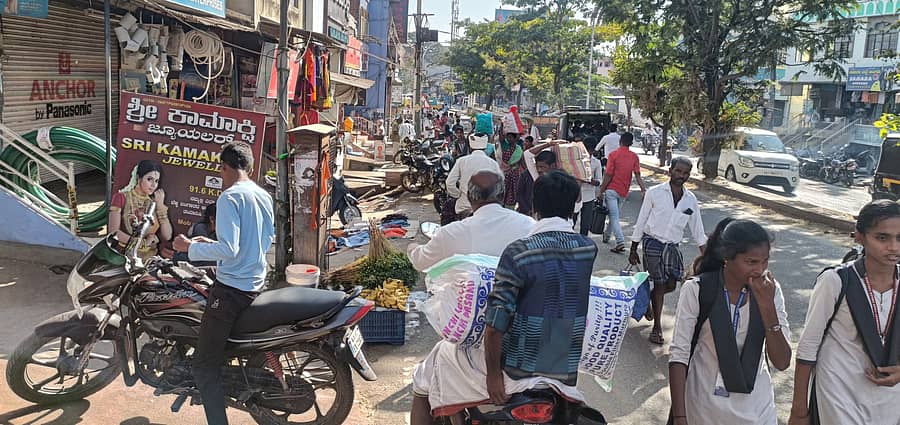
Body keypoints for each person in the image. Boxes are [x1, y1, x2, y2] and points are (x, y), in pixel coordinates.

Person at [410, 170, 597, 424]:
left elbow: (496, 321)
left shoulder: (519, 252)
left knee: (427, 374)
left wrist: (493, 376)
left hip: (515, 369)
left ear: (534, 204)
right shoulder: (587, 249)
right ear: (576, 203)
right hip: (562, 367)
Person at [172, 142, 275, 425]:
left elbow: (230, 250)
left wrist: (189, 247)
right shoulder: (262, 195)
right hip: (255, 281)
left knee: (204, 365)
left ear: (225, 168)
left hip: (232, 291)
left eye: (221, 170)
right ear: (250, 167)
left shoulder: (229, 198)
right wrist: (210, 244)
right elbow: (263, 240)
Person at [668, 219, 792, 425]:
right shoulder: (697, 290)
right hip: (704, 408)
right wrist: (680, 417)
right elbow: (678, 355)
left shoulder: (771, 291)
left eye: (765, 261)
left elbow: (782, 361)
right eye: (751, 262)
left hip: (757, 410)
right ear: (727, 257)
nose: (760, 269)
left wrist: (767, 307)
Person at [789, 200, 900, 425]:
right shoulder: (836, 281)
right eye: (882, 237)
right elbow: (808, 347)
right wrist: (799, 410)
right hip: (837, 394)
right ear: (860, 237)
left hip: (888, 401)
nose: (894, 247)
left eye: (899, 238)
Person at [630, 157, 707, 345]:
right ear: (670, 171)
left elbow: (698, 229)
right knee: (660, 283)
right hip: (652, 243)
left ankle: (647, 300)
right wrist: (633, 247)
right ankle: (657, 328)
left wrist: (706, 255)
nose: (681, 176)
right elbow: (641, 220)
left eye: (686, 173)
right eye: (678, 171)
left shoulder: (690, 200)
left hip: (672, 247)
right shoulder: (654, 193)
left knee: (671, 284)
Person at [407, 170, 534, 272]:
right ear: (503, 195)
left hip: (465, 302)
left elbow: (420, 262)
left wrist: (413, 248)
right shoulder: (529, 225)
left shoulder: (450, 233)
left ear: (469, 197)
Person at [109, 159, 173, 261]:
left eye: (156, 181)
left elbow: (167, 235)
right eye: (149, 179)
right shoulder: (121, 197)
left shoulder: (154, 202)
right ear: (139, 178)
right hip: (124, 254)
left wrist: (160, 206)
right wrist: (142, 243)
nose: (153, 185)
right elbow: (113, 232)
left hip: (149, 257)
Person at [598, 132, 646, 253]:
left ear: (620, 142)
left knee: (614, 216)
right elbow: (638, 175)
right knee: (614, 214)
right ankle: (607, 236)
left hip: (611, 190)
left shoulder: (613, 155)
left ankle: (620, 242)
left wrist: (601, 190)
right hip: (624, 191)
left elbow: (608, 175)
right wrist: (643, 189)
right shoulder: (634, 157)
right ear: (631, 143)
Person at [446, 134, 503, 217]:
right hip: (486, 210)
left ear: (470, 146)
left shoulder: (462, 161)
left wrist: (459, 195)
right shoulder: (492, 163)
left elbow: (449, 183)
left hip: (465, 208)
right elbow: (500, 186)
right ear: (485, 147)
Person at [574, 137, 604, 236]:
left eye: (590, 151)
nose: (587, 153)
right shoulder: (575, 160)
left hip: (589, 197)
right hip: (575, 195)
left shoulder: (596, 163)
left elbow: (599, 181)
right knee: (571, 222)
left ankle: (583, 244)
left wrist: (589, 180)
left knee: (585, 224)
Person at [517, 149, 556, 217]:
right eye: (537, 167)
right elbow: (519, 193)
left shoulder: (557, 180)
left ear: (552, 166)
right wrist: (526, 210)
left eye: (542, 167)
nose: (539, 170)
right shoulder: (530, 175)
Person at [496, 130, 525, 208]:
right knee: (503, 191)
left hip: (514, 173)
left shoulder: (519, 149)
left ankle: (510, 207)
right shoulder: (504, 145)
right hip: (504, 173)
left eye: (511, 137)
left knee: (513, 191)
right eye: (508, 137)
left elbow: (522, 162)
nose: (509, 139)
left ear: (515, 138)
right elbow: (501, 138)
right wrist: (502, 125)